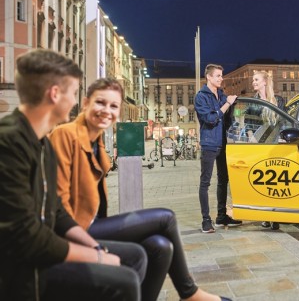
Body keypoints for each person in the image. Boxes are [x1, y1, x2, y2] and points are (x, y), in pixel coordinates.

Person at [49, 77, 230, 301]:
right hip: (72, 231)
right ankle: (190, 292)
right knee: (166, 218)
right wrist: (94, 248)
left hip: (92, 224)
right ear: (85, 104)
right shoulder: (65, 135)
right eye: (100, 103)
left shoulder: (96, 140)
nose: (107, 110)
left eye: (114, 106)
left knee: (161, 246)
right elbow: (58, 210)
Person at [0, 50, 145, 300]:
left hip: (42, 251)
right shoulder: (10, 142)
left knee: (134, 257)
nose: (76, 101)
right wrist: (98, 256)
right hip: (23, 271)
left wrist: (95, 246)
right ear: (55, 94)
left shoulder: (41, 142)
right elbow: (26, 236)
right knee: (124, 280)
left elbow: (55, 211)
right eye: (74, 92)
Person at [195, 64, 242, 233]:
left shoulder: (221, 95)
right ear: (209, 77)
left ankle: (221, 215)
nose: (221, 78)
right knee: (205, 182)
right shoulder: (201, 97)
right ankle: (206, 220)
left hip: (223, 142)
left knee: (224, 180)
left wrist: (232, 104)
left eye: (221, 75)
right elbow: (210, 119)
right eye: (218, 76)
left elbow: (227, 116)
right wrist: (226, 105)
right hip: (209, 143)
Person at [251, 70, 284, 230]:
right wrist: (251, 140)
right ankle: (265, 215)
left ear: (265, 82)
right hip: (259, 146)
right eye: (253, 80)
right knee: (263, 184)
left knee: (275, 183)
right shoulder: (252, 102)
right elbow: (248, 124)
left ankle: (275, 216)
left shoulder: (278, 101)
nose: (253, 82)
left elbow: (284, 123)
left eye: (256, 79)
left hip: (275, 147)